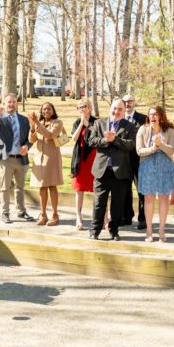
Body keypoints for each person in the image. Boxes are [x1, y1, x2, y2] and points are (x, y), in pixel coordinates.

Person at [87, 99, 137, 241]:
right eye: (115, 108)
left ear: (124, 111)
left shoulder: (129, 126)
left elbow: (130, 145)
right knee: (99, 203)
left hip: (120, 171)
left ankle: (114, 231)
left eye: (120, 109)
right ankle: (95, 230)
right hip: (102, 171)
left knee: (117, 204)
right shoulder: (99, 123)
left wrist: (115, 139)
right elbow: (91, 141)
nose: (117, 111)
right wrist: (105, 140)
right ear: (110, 108)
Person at [0, 93, 35, 224]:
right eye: (9, 102)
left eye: (14, 102)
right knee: (5, 187)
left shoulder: (23, 120)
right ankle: (5, 213)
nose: (11, 104)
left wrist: (27, 146)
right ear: (4, 104)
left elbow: (30, 138)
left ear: (16, 103)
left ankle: (21, 211)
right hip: (6, 159)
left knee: (20, 188)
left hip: (22, 159)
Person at [136, 105, 174, 242]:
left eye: (155, 114)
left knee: (164, 197)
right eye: (150, 114)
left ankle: (161, 230)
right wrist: (152, 148)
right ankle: (149, 231)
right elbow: (139, 150)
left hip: (165, 166)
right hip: (147, 166)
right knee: (149, 198)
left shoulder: (169, 130)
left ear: (161, 116)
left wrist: (160, 144)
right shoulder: (143, 129)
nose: (152, 117)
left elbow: (172, 150)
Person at [29, 102, 66, 225]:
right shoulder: (39, 123)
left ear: (53, 111)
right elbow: (31, 140)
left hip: (52, 159)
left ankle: (55, 215)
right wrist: (32, 126)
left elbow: (50, 135)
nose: (46, 111)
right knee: (42, 187)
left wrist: (37, 123)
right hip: (39, 158)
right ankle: (43, 214)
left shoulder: (58, 123)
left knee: (52, 186)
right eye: (44, 109)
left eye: (49, 109)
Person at [70, 100, 97, 230]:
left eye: (84, 107)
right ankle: (78, 217)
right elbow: (74, 138)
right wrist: (81, 124)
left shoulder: (96, 121)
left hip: (93, 159)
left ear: (90, 108)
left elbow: (99, 134)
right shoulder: (77, 122)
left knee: (98, 189)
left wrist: (88, 125)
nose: (82, 109)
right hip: (80, 159)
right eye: (79, 107)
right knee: (79, 188)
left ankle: (104, 217)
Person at [122, 94, 148, 230]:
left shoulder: (143, 119)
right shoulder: (119, 118)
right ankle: (126, 217)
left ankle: (142, 219)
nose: (128, 104)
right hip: (123, 161)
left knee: (141, 190)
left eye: (130, 101)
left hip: (139, 161)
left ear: (134, 102)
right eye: (125, 101)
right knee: (125, 190)